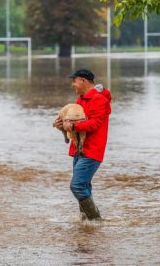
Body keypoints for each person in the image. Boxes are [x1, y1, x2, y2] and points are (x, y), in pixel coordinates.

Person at [54, 68, 111, 220]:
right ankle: (86, 223)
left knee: (77, 186)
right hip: (79, 151)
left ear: (83, 81)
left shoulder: (99, 99)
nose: (72, 84)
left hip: (91, 152)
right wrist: (62, 125)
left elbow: (94, 124)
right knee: (84, 186)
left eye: (74, 81)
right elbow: (76, 123)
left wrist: (72, 126)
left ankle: (96, 220)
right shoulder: (81, 99)